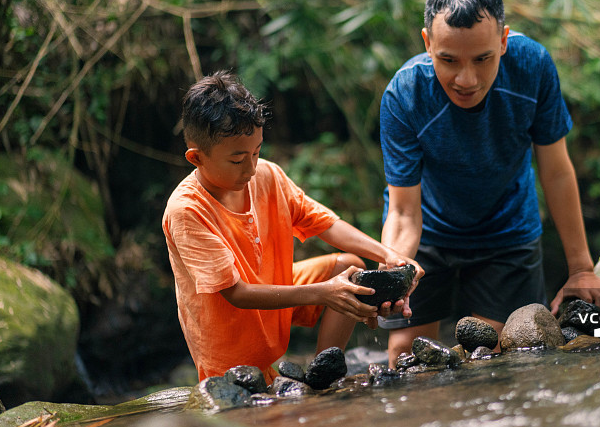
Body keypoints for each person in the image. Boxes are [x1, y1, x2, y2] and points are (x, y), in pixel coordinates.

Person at [378, 0, 600, 366]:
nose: (466, 79)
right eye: (449, 60)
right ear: (427, 43)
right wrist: (395, 274)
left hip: (506, 230)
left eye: (482, 59)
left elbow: (556, 170)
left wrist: (581, 269)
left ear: (504, 41)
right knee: (405, 356)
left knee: (499, 356)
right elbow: (404, 211)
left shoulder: (531, 66)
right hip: (429, 233)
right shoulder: (405, 95)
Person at [163, 71, 422, 384]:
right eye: (237, 160)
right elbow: (237, 293)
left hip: (274, 296)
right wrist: (324, 293)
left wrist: (389, 255)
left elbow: (326, 224)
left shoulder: (267, 176)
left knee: (348, 269)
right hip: (229, 351)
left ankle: (324, 377)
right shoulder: (187, 210)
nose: (251, 168)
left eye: (256, 152)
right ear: (196, 158)